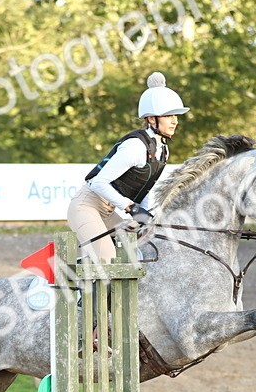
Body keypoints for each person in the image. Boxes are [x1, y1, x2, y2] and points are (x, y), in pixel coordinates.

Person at [67, 73, 188, 261]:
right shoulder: (135, 147)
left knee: (134, 255)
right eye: (169, 116)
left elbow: (146, 187)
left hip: (107, 211)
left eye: (176, 116)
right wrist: (130, 207)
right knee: (108, 258)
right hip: (86, 206)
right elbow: (98, 182)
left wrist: (144, 217)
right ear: (151, 119)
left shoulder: (162, 151)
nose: (175, 121)